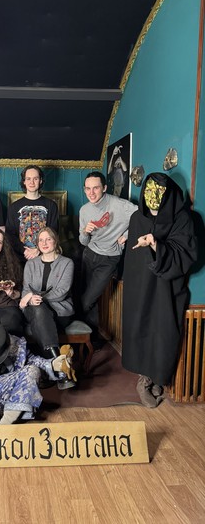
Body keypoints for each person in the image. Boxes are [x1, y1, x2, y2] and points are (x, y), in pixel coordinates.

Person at [122, 173, 197, 407]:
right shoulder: (137, 218)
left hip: (167, 288)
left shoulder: (182, 219)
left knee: (164, 333)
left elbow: (186, 253)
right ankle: (144, 380)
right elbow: (133, 259)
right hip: (140, 287)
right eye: (148, 192)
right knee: (141, 330)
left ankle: (158, 378)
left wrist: (155, 244)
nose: (152, 199)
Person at [79, 171, 137, 342]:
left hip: (109, 259)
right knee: (88, 299)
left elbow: (144, 217)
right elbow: (83, 242)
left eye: (95, 188)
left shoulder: (121, 206)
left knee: (86, 301)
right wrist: (85, 232)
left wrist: (126, 235)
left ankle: (79, 335)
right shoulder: (84, 210)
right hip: (88, 254)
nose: (91, 193)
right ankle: (90, 339)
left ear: (104, 188)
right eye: (87, 188)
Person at [20, 227, 76, 390]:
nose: (44, 243)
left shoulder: (67, 263)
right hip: (34, 309)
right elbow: (25, 291)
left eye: (48, 239)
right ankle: (60, 368)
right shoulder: (31, 264)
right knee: (39, 311)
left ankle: (50, 368)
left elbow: (62, 292)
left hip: (60, 311)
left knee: (39, 312)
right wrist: (30, 298)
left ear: (55, 241)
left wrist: (36, 297)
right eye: (41, 240)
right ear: (37, 244)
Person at [6, 165, 59, 261]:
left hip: (44, 256)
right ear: (24, 181)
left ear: (41, 181)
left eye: (35, 178)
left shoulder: (51, 205)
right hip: (21, 258)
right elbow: (10, 235)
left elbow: (53, 232)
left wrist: (38, 249)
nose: (32, 182)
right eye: (28, 179)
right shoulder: (14, 207)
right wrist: (24, 251)